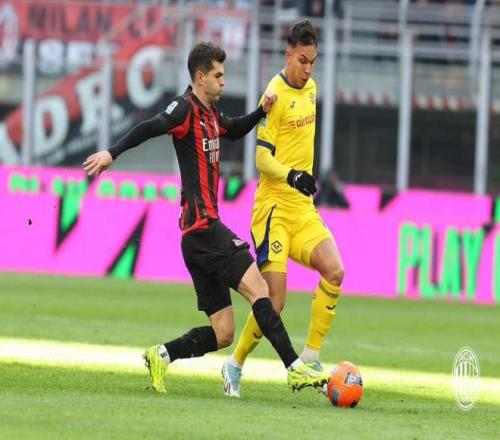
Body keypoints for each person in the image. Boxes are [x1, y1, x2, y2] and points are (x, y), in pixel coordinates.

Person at [83, 42, 328, 394]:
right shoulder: (184, 110)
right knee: (261, 289)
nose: (223, 81)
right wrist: (112, 152)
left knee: (223, 332)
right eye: (218, 75)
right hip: (204, 229)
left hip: (196, 239)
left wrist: (260, 111)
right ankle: (294, 367)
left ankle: (161, 355)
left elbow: (236, 129)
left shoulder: (212, 114)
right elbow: (149, 127)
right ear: (200, 78)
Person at [222, 21, 344, 398]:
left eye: (313, 61)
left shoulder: (312, 89)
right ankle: (234, 364)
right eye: (303, 60)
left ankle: (311, 356)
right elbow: (261, 158)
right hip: (273, 209)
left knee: (335, 271)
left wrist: (300, 181)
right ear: (288, 55)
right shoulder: (273, 95)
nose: (308, 69)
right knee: (274, 301)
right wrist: (292, 175)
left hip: (302, 208)